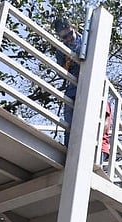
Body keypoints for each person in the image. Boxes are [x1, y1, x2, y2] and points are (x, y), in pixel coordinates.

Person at [53, 17, 82, 147]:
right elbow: (61, 73)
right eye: (65, 37)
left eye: (70, 34)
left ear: (74, 28)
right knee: (69, 122)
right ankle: (68, 148)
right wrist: (67, 63)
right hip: (73, 87)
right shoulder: (61, 50)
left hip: (87, 83)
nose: (69, 39)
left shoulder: (87, 39)